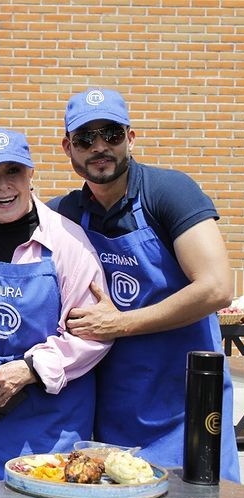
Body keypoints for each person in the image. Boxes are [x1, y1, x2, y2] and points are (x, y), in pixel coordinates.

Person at [48, 88, 240, 481]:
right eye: (85, 139)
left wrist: (122, 323)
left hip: (187, 408)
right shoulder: (65, 214)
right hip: (113, 415)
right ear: (68, 148)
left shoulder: (168, 192)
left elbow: (217, 286)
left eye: (112, 135)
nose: (100, 147)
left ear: (130, 138)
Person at [0, 128, 113, 482]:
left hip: (52, 420)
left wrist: (31, 369)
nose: (3, 185)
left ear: (31, 174)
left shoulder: (68, 242)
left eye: (13, 171)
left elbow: (93, 335)